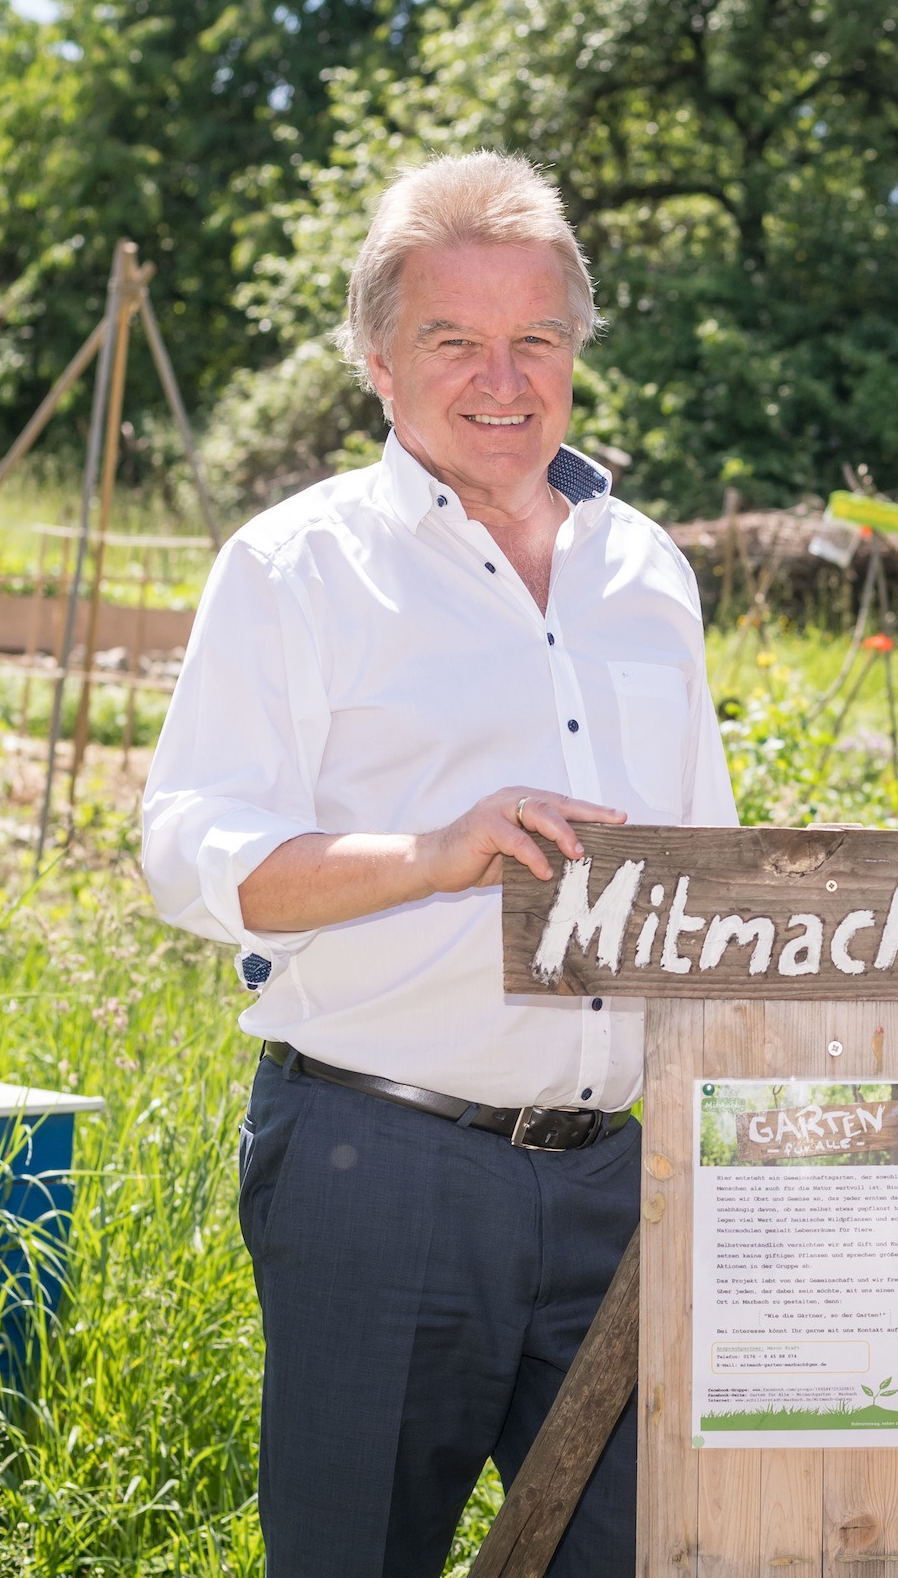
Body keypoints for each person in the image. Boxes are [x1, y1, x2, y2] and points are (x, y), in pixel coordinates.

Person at [141, 151, 736, 1577]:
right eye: (452, 339)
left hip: (619, 1181)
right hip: (382, 1164)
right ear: (376, 358)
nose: (501, 376)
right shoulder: (297, 566)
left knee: (641, 1556)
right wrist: (435, 851)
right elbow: (190, 853)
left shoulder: (647, 570)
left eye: (535, 338)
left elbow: (704, 866)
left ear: (575, 354)